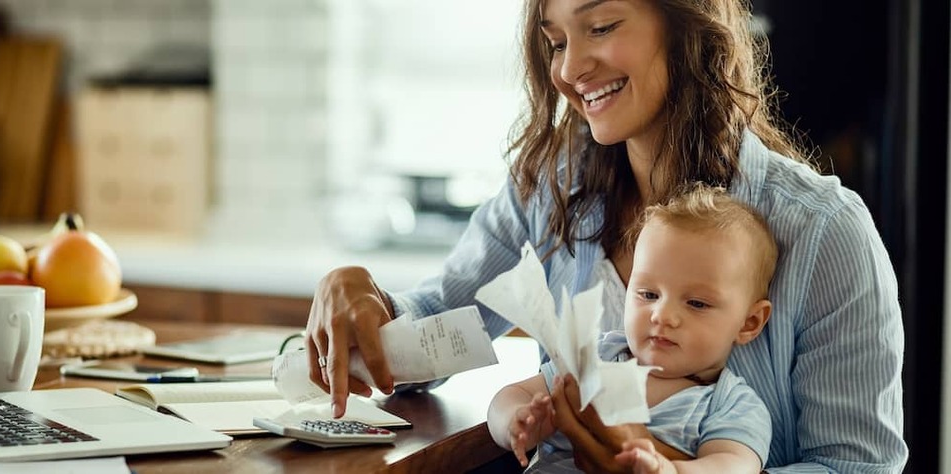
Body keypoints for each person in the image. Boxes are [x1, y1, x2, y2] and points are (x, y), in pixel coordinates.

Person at [304, 0, 907, 470]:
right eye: (556, 40)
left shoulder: (824, 232)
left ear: (686, 24)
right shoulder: (549, 191)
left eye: (601, 27)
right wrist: (367, 308)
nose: (568, 70)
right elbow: (438, 325)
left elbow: (857, 467)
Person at [489, 184, 776, 473]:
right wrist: (517, 420)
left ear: (749, 322)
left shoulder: (730, 405)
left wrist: (670, 470)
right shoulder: (598, 356)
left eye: (697, 303)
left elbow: (732, 466)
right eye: (649, 295)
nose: (662, 316)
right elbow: (512, 394)